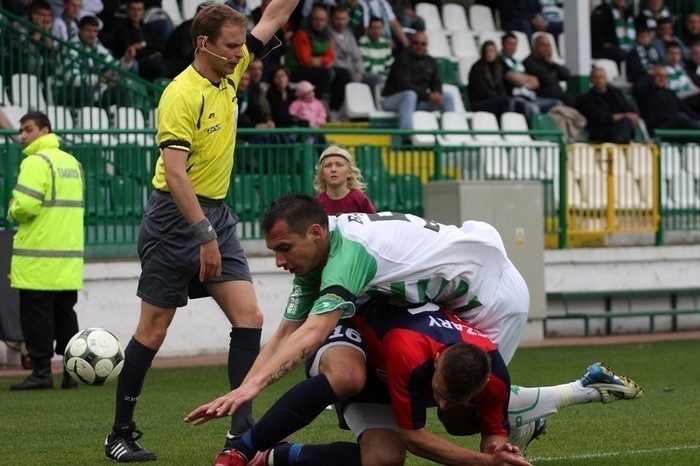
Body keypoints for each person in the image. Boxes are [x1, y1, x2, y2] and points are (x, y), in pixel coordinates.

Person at [183, 194, 531, 461]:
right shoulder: (322, 250)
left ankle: (528, 417)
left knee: (457, 415)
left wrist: (251, 387)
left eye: (284, 249)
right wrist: (244, 391)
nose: (279, 262)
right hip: (431, 298)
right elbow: (289, 332)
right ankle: (245, 449)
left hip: (492, 301)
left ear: (316, 233)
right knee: (356, 381)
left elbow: (314, 331)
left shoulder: (348, 254)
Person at [103, 1, 300, 463]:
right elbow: (175, 175)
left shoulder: (228, 71)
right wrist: (205, 235)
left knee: (249, 318)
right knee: (153, 331)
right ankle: (119, 434)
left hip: (216, 215)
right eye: (231, 47)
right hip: (176, 220)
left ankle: (241, 436)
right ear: (203, 44)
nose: (240, 55)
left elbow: (273, 18)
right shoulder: (180, 93)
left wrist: (213, 229)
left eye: (240, 46)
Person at [185, 299, 643, 466]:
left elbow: (490, 434)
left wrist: (499, 451)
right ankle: (240, 448)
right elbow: (416, 437)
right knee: (348, 375)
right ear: (439, 362)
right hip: (356, 333)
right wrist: (479, 463)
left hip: (395, 369)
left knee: (383, 462)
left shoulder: (494, 376)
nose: (439, 403)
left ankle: (274, 457)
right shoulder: (410, 350)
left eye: (446, 400)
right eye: (439, 392)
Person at [7, 112, 84, 392]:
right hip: (68, 257)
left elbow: (25, 206)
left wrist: (11, 207)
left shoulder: (36, 162)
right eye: (22, 131)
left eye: (28, 130)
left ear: (45, 130)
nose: (24, 136)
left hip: (38, 258)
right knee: (65, 315)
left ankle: (41, 372)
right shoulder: (72, 163)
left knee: (36, 318)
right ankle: (71, 373)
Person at [55, 15, 138, 109]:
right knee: (86, 92)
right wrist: (99, 79)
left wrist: (126, 60)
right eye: (88, 30)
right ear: (80, 30)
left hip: (93, 92)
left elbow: (114, 67)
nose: (92, 34)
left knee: (123, 91)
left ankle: (124, 122)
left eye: (95, 31)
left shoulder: (96, 45)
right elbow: (73, 79)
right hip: (65, 91)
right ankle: (88, 123)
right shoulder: (71, 47)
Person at [381, 31, 455, 134]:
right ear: (411, 43)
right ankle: (405, 137)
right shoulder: (402, 58)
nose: (419, 46)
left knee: (447, 97)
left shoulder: (430, 61)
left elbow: (436, 81)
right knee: (410, 95)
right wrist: (428, 96)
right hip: (392, 99)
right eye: (416, 43)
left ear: (426, 46)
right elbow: (404, 84)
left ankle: (450, 135)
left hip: (418, 101)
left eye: (423, 44)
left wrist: (437, 93)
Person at [285, 5, 352, 119]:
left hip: (318, 69)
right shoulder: (302, 34)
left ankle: (333, 108)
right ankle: (317, 105)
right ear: (311, 20)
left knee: (345, 74)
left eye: (322, 20)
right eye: (316, 19)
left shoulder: (327, 35)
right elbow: (305, 61)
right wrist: (323, 61)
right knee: (327, 73)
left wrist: (319, 60)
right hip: (298, 71)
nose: (319, 23)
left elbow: (331, 57)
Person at [576, 67, 640, 144]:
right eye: (595, 77)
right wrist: (625, 116)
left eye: (601, 77)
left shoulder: (616, 93)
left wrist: (632, 116)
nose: (599, 80)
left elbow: (628, 108)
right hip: (601, 130)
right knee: (625, 121)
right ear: (591, 79)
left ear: (606, 79)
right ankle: (618, 149)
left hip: (622, 127)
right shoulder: (587, 99)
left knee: (626, 122)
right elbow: (602, 117)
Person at [500, 32, 559, 115]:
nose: (512, 47)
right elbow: (514, 79)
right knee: (533, 109)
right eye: (509, 44)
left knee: (557, 103)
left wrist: (522, 80)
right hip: (515, 97)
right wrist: (526, 80)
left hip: (530, 96)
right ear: (502, 44)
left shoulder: (517, 63)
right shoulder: (500, 61)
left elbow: (536, 82)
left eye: (514, 44)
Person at [330, 7, 382, 98]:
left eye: (343, 19)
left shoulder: (349, 34)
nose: (341, 22)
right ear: (332, 19)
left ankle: (375, 105)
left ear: (348, 20)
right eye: (338, 19)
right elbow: (332, 58)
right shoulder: (328, 34)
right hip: (339, 70)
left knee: (376, 79)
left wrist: (359, 71)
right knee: (349, 76)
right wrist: (352, 72)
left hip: (354, 70)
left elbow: (357, 56)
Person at [633, 65, 700, 136]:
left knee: (683, 118)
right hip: (657, 128)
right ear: (652, 76)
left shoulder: (670, 93)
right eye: (659, 76)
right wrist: (649, 74)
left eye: (665, 77)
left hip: (675, 125)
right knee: (680, 117)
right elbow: (638, 85)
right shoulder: (645, 92)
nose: (662, 79)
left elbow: (686, 109)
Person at [469, 40, 529, 119]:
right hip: (481, 102)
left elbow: (508, 81)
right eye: (486, 51)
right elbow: (482, 91)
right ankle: (505, 127)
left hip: (498, 98)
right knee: (507, 101)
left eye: (491, 51)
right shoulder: (477, 68)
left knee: (522, 104)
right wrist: (500, 96)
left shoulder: (500, 65)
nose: (489, 54)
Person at [312, 145, 376, 215]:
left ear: (349, 172)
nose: (333, 169)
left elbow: (374, 223)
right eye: (328, 165)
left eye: (339, 165)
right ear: (322, 174)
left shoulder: (360, 199)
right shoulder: (317, 204)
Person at [523, 34, 574, 107]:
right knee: (569, 99)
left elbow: (567, 75)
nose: (546, 48)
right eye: (543, 45)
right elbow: (545, 78)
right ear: (534, 47)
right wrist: (555, 72)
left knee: (579, 98)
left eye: (548, 45)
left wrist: (552, 64)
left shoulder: (549, 62)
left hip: (559, 95)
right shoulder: (528, 61)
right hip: (543, 97)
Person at [590, 0, 636, 65]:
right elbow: (595, 30)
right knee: (623, 54)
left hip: (621, 47)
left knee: (634, 53)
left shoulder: (627, 12)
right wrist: (602, 44)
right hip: (603, 49)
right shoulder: (603, 9)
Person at [495, 0, 562, 40]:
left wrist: (541, 21)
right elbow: (509, 14)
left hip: (532, 23)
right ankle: (532, 53)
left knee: (559, 26)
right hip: (511, 23)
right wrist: (531, 21)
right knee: (524, 24)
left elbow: (538, 9)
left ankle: (558, 53)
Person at [288, 80, 328, 145]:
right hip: (302, 128)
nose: (311, 94)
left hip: (315, 127)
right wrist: (297, 116)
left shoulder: (318, 103)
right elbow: (292, 113)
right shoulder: (297, 103)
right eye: (307, 94)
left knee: (317, 140)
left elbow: (322, 114)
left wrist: (317, 122)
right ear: (302, 95)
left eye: (312, 92)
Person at [358, 16, 393, 85]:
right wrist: (382, 74)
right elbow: (366, 66)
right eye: (373, 28)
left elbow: (389, 63)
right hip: (369, 75)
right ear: (369, 29)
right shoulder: (363, 42)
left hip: (384, 76)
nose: (376, 31)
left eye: (379, 28)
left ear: (382, 29)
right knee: (382, 79)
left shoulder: (385, 43)